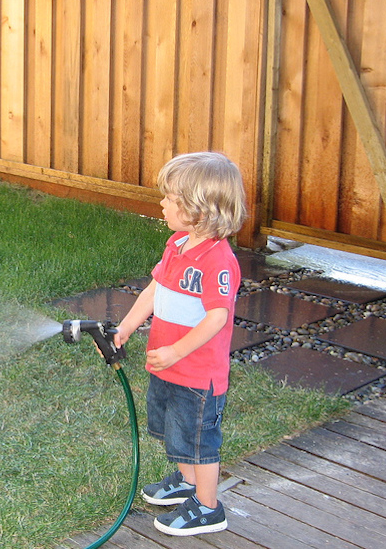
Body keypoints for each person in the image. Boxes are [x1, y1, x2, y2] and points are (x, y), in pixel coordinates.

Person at [114, 151, 247, 536]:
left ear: (200, 209)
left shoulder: (217, 261)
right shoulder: (177, 245)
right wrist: (126, 326)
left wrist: (177, 350)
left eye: (171, 199)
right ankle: (187, 483)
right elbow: (155, 290)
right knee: (175, 431)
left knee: (199, 440)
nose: (163, 204)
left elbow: (217, 317)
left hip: (198, 374)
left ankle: (208, 506)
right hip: (168, 366)